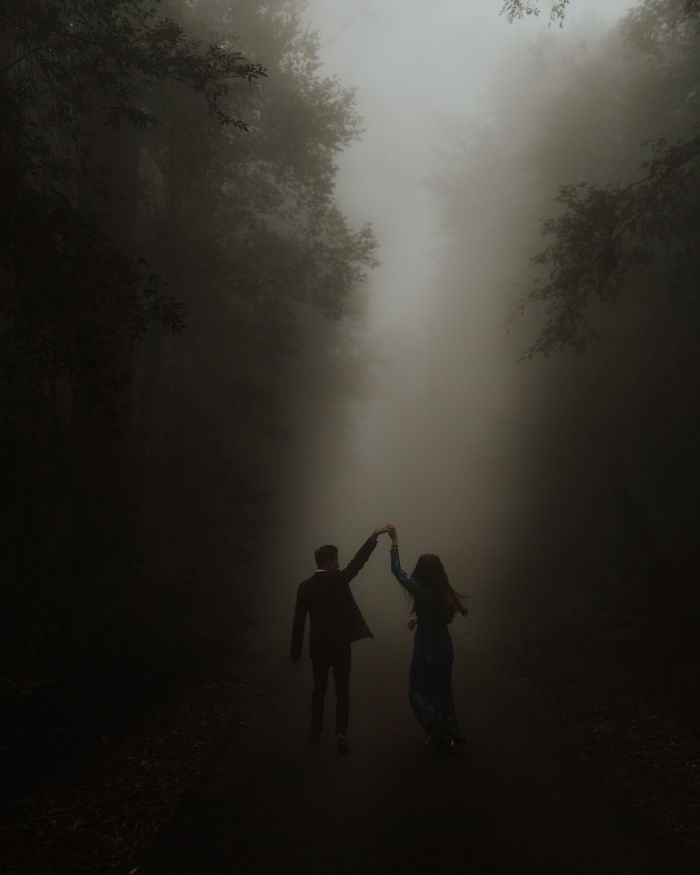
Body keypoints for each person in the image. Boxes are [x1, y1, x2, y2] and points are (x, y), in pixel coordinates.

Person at [291, 523, 394, 754]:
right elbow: (358, 562)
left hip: (318, 647)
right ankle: (341, 733)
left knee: (319, 689)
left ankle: (316, 731)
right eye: (336, 560)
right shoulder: (339, 580)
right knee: (342, 690)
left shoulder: (305, 587)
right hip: (340, 646)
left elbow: (298, 623)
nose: (339, 563)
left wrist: (295, 653)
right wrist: (373, 536)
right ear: (326, 562)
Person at [387, 525, 468, 753]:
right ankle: (451, 730)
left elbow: (397, 571)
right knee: (444, 691)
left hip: (427, 648)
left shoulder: (421, 590)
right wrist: (419, 619)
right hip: (445, 647)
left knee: (417, 691)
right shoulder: (445, 591)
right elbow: (436, 616)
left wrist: (394, 542)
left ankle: (436, 726)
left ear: (422, 570)